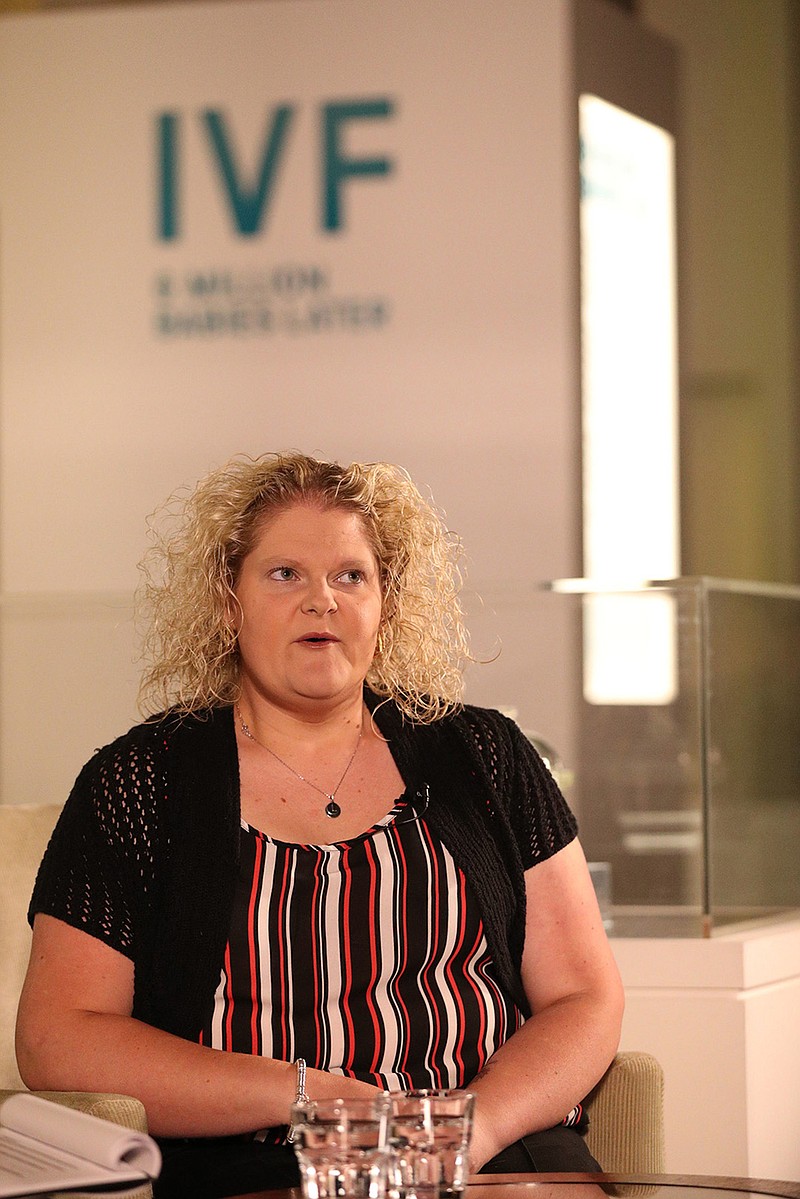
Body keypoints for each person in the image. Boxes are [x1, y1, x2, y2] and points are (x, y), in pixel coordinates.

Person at [16, 452, 624, 1198]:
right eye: (284, 574)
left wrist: (467, 1131)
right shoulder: (137, 780)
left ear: (385, 603)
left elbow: (584, 997)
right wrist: (313, 1096)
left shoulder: (484, 752)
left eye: (350, 575)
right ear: (226, 601)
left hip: (494, 1159)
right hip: (258, 1167)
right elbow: (59, 1038)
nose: (321, 601)